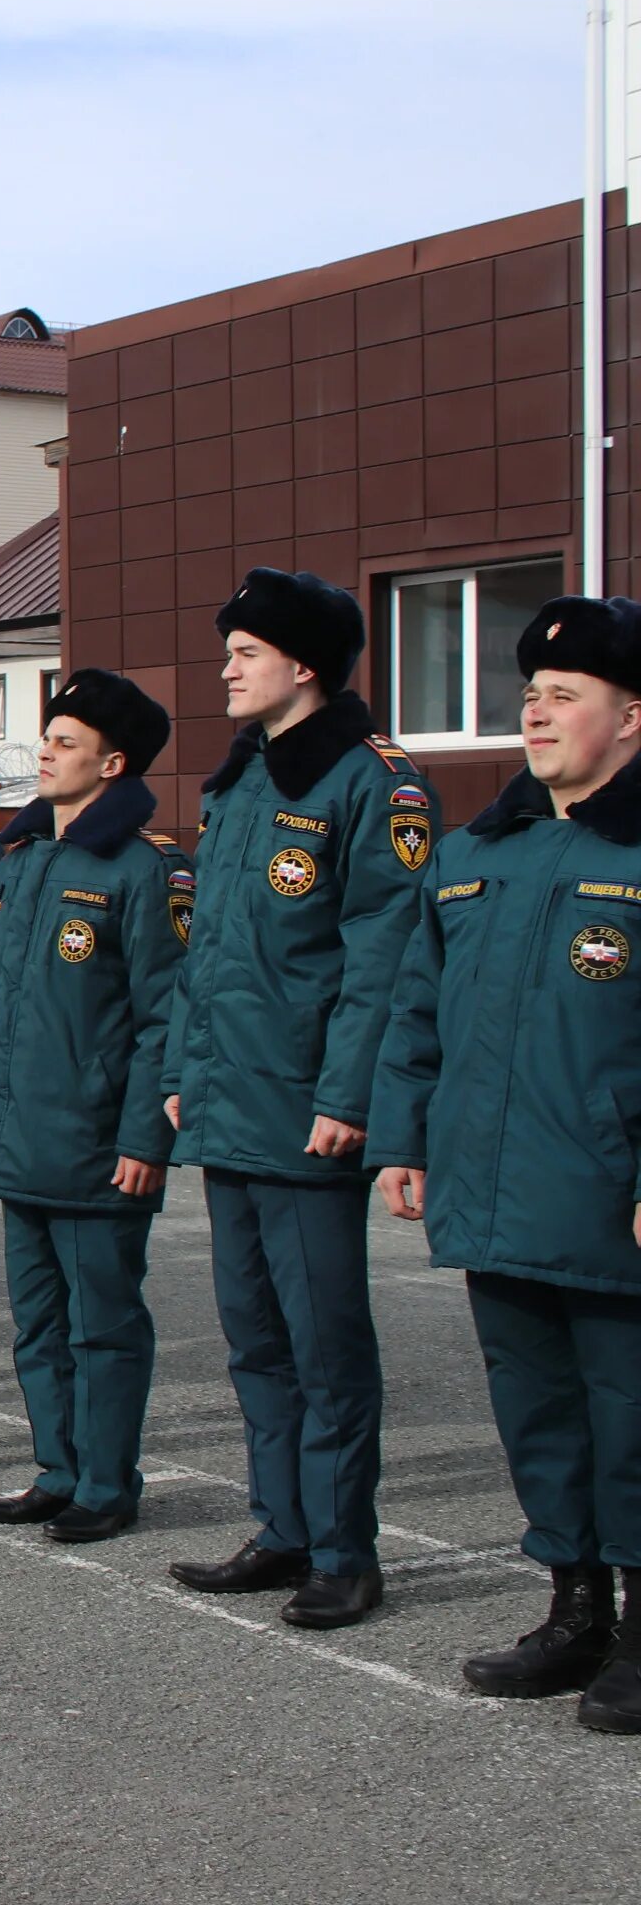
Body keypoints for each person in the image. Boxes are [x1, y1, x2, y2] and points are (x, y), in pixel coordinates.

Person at [375, 595, 641, 1725]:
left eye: (564, 696)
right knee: (535, 1412)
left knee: (629, 1417)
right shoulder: (482, 846)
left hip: (606, 1194)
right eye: (528, 695)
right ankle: (575, 1611)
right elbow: (419, 1006)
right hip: (495, 1187)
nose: (534, 712)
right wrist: (403, 1135)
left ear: (631, 717)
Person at [163, 567, 431, 1630]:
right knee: (255, 1339)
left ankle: (344, 1550)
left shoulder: (373, 782)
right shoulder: (238, 784)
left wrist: (350, 1094)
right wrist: (182, 1072)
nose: (224, 668)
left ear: (305, 664)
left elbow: (387, 956)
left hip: (309, 1108)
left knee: (326, 1344)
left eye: (245, 652)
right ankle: (280, 1527)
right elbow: (207, 958)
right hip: (231, 1101)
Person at [0, 671, 189, 1542]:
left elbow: (163, 1015)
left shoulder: (145, 869)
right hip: (25, 1138)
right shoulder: (22, 863)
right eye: (46, 739)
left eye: (65, 742)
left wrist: (143, 1137)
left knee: (103, 1324)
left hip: (98, 1143)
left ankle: (106, 1483)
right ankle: (56, 1470)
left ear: (114, 761)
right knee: (39, 1323)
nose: (45, 753)